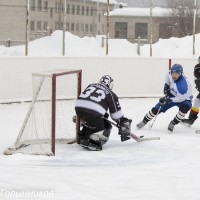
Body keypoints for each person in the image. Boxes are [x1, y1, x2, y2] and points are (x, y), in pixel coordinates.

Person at [75, 75, 132, 151]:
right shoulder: (111, 93)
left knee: (103, 115)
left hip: (78, 109)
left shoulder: (91, 85)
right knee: (106, 124)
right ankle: (94, 141)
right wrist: (122, 123)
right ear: (110, 84)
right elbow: (116, 115)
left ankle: (83, 135)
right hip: (93, 113)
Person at [136, 64, 193, 132]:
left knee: (184, 108)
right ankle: (144, 121)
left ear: (181, 73)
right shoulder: (169, 73)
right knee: (156, 109)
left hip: (185, 99)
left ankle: (173, 123)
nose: (174, 75)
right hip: (173, 94)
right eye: (173, 73)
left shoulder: (182, 86)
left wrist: (168, 100)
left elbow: (180, 98)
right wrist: (166, 85)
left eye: (177, 73)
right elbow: (167, 78)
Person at [181, 56, 200, 126]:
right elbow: (197, 77)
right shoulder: (197, 67)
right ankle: (191, 119)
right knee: (197, 102)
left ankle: (191, 119)